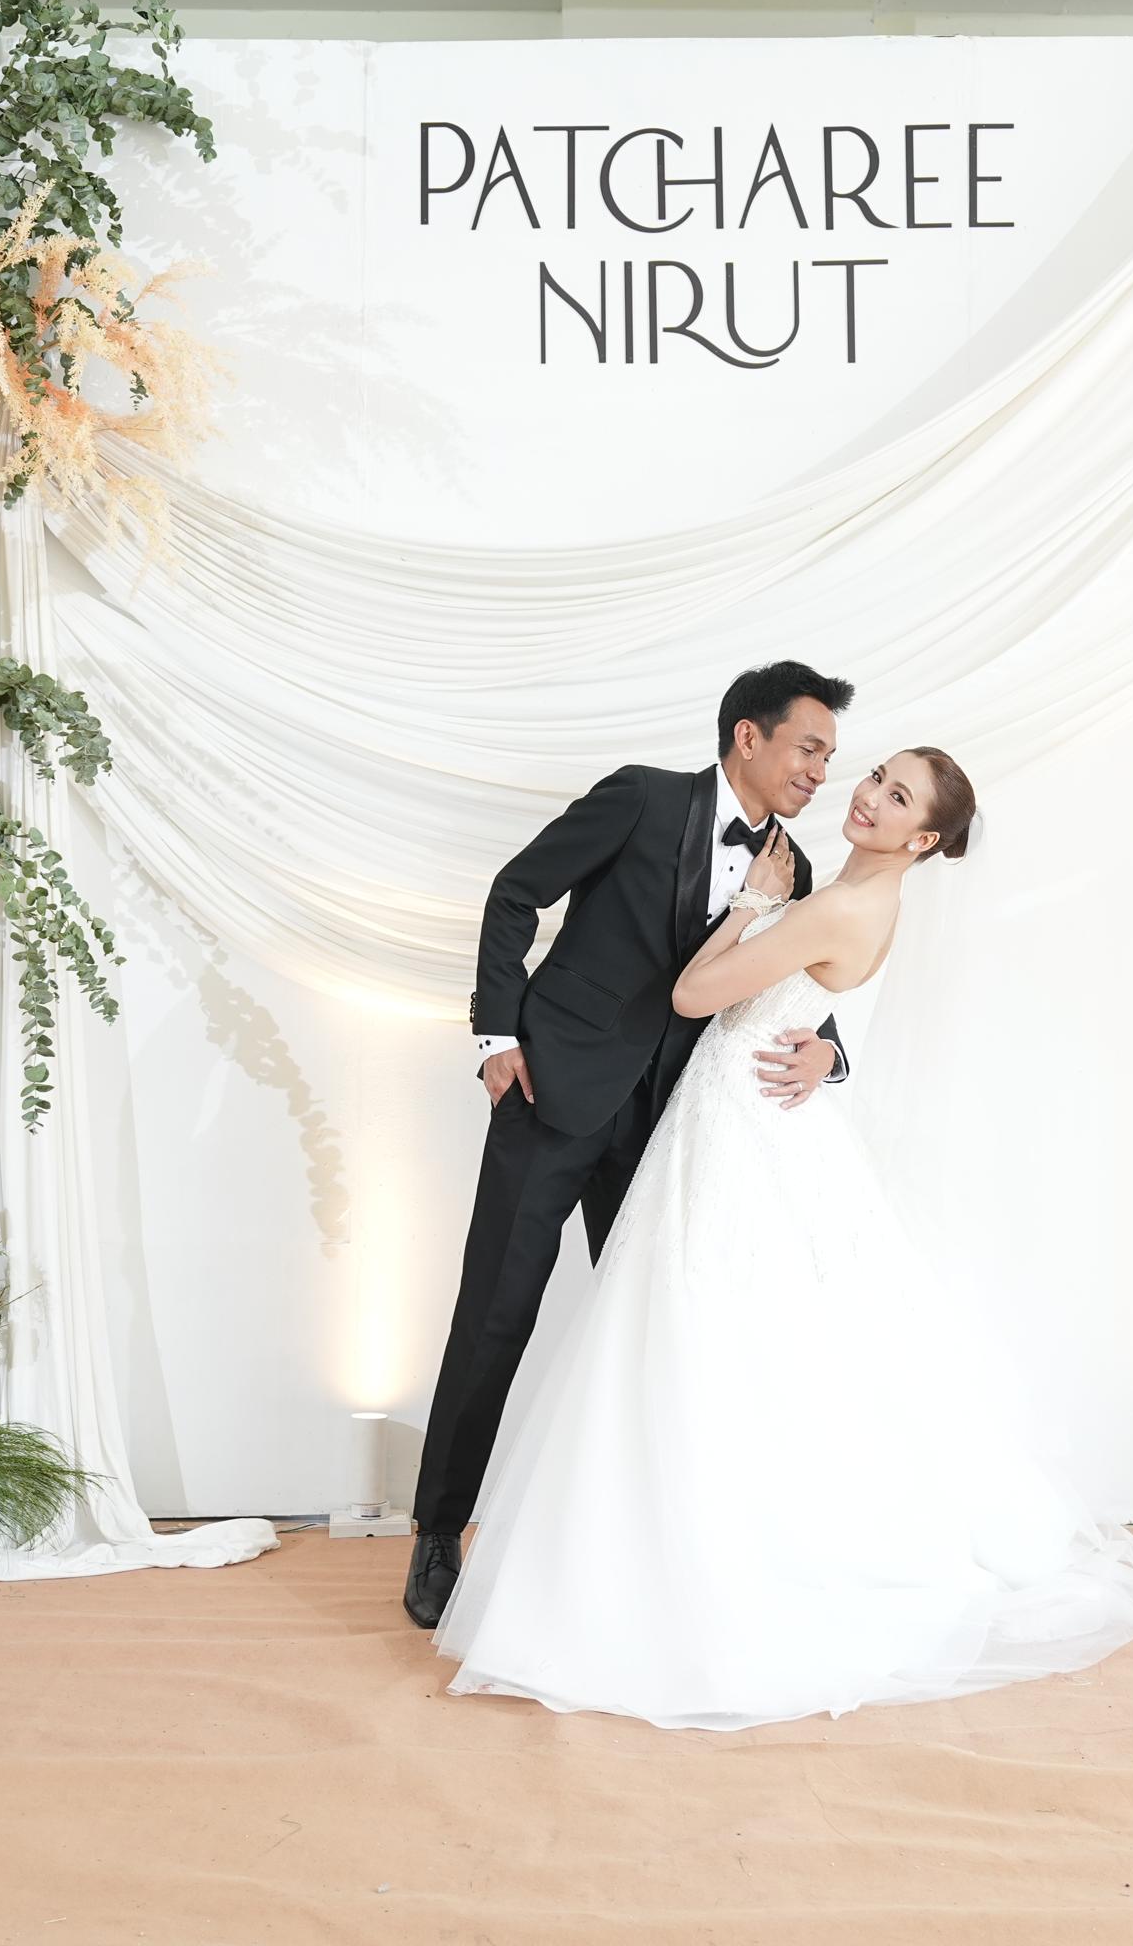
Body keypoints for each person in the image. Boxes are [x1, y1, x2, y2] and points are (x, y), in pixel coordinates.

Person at [429, 745, 1133, 1728]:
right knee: (683, 1329)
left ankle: (692, 1551)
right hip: (669, 1108)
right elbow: (799, 991)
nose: (863, 792)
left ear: (924, 838)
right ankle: (478, 1533)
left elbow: (702, 995)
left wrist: (753, 913)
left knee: (698, 1334)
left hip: (722, 1124)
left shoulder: (825, 897)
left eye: (896, 795)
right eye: (872, 774)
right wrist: (818, 1039)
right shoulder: (809, 878)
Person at [404, 663, 858, 1629]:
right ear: (748, 736)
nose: (821, 773)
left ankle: (640, 1550)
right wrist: (497, 1037)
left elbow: (792, 989)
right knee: (494, 1320)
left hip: (674, 1132)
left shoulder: (797, 873)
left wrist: (831, 1052)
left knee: (658, 1336)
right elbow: (515, 892)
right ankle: (439, 1531)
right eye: (809, 749)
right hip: (552, 1096)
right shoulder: (642, 798)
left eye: (829, 758)